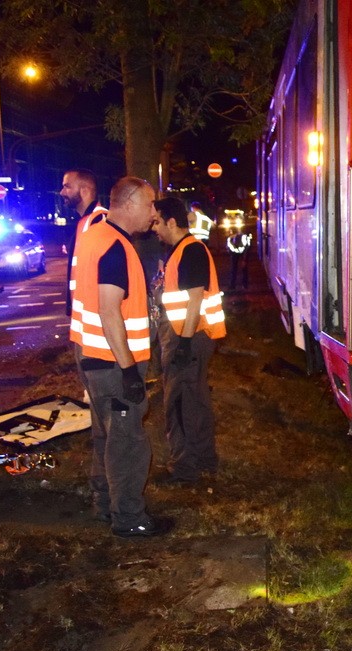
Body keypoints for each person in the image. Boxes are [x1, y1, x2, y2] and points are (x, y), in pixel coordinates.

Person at [70, 176, 172, 538]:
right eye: (149, 205)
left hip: (90, 354)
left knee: (105, 435)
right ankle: (129, 518)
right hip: (112, 362)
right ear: (129, 204)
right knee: (128, 440)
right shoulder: (114, 246)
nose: (153, 213)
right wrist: (130, 370)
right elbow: (109, 310)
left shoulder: (94, 235)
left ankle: (104, 505)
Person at [152, 196, 226, 484]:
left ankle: (184, 467)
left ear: (171, 222)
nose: (154, 228)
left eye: (157, 222)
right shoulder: (183, 250)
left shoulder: (190, 250)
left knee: (180, 403)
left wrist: (182, 343)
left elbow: (194, 300)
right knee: (195, 400)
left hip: (189, 337)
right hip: (191, 336)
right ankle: (204, 459)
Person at [60, 168, 108, 317]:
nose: (62, 192)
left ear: (85, 190)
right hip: (87, 316)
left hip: (95, 317)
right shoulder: (86, 222)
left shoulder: (100, 222)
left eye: (67, 186)